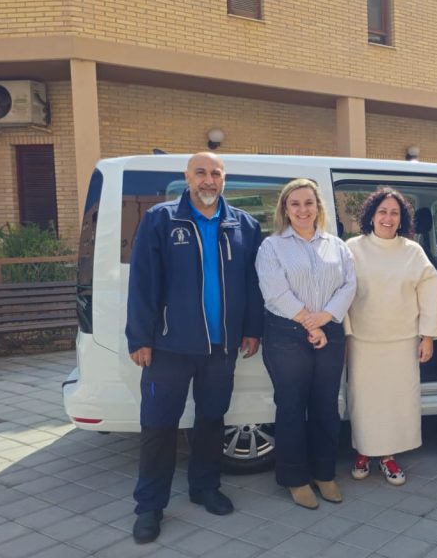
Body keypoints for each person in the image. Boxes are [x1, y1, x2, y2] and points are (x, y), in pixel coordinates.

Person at [125, 152, 264, 544]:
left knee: (211, 420)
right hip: (169, 346)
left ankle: (204, 487)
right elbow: (143, 283)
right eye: (200, 172)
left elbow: (254, 283)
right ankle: (149, 505)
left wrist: (252, 329)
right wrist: (140, 337)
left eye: (215, 173)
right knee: (158, 425)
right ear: (187, 177)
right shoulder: (161, 220)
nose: (208, 179)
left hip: (221, 347)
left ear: (224, 179)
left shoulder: (244, 225)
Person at [255, 178, 356, 509]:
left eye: (309, 203)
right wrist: (308, 322)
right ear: (285, 209)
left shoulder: (337, 246)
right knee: (292, 406)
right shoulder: (272, 247)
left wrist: (323, 319)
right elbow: (274, 291)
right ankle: (295, 479)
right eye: (295, 204)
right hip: (286, 334)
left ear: (318, 207)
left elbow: (349, 286)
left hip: (330, 329)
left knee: (326, 406)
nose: (302, 210)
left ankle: (324, 474)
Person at [345, 187, 437, 486]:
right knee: (364, 402)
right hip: (362, 341)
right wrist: (345, 335)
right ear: (371, 215)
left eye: (394, 213)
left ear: (402, 219)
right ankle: (363, 452)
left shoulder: (413, 252)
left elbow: (429, 292)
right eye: (382, 211)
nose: (388, 218)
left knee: (396, 402)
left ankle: (387, 457)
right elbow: (340, 295)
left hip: (402, 341)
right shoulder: (352, 249)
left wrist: (427, 336)